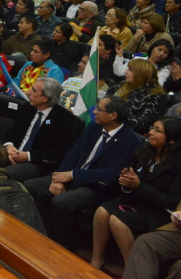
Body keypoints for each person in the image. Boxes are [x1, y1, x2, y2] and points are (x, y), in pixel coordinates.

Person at [24, 96, 141, 250]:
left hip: (98, 187)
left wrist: (73, 175)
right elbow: (73, 153)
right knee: (31, 186)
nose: (94, 111)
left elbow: (112, 174)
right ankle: (46, 232)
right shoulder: (94, 127)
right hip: (72, 175)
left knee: (62, 202)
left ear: (113, 115)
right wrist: (59, 178)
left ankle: (65, 246)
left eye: (99, 109)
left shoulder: (130, 141)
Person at [90, 117, 181, 269]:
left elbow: (170, 202)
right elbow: (132, 184)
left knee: (117, 220)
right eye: (152, 128)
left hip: (157, 211)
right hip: (135, 200)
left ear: (171, 140)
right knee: (101, 211)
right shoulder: (145, 152)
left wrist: (139, 186)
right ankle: (97, 258)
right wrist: (127, 182)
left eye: (157, 130)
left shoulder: (177, 165)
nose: (150, 133)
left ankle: (132, 267)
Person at [3, 77, 79, 181]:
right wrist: (9, 146)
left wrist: (27, 156)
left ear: (45, 98)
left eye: (33, 90)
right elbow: (12, 132)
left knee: (8, 172)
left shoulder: (64, 119)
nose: (28, 92)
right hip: (13, 153)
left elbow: (58, 152)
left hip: (37, 163)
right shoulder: (28, 108)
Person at [108, 59, 169, 136]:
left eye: (130, 70)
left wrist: (114, 118)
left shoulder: (156, 96)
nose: (125, 72)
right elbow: (107, 98)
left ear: (140, 74)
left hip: (131, 134)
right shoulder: (124, 84)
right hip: (110, 124)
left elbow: (142, 123)